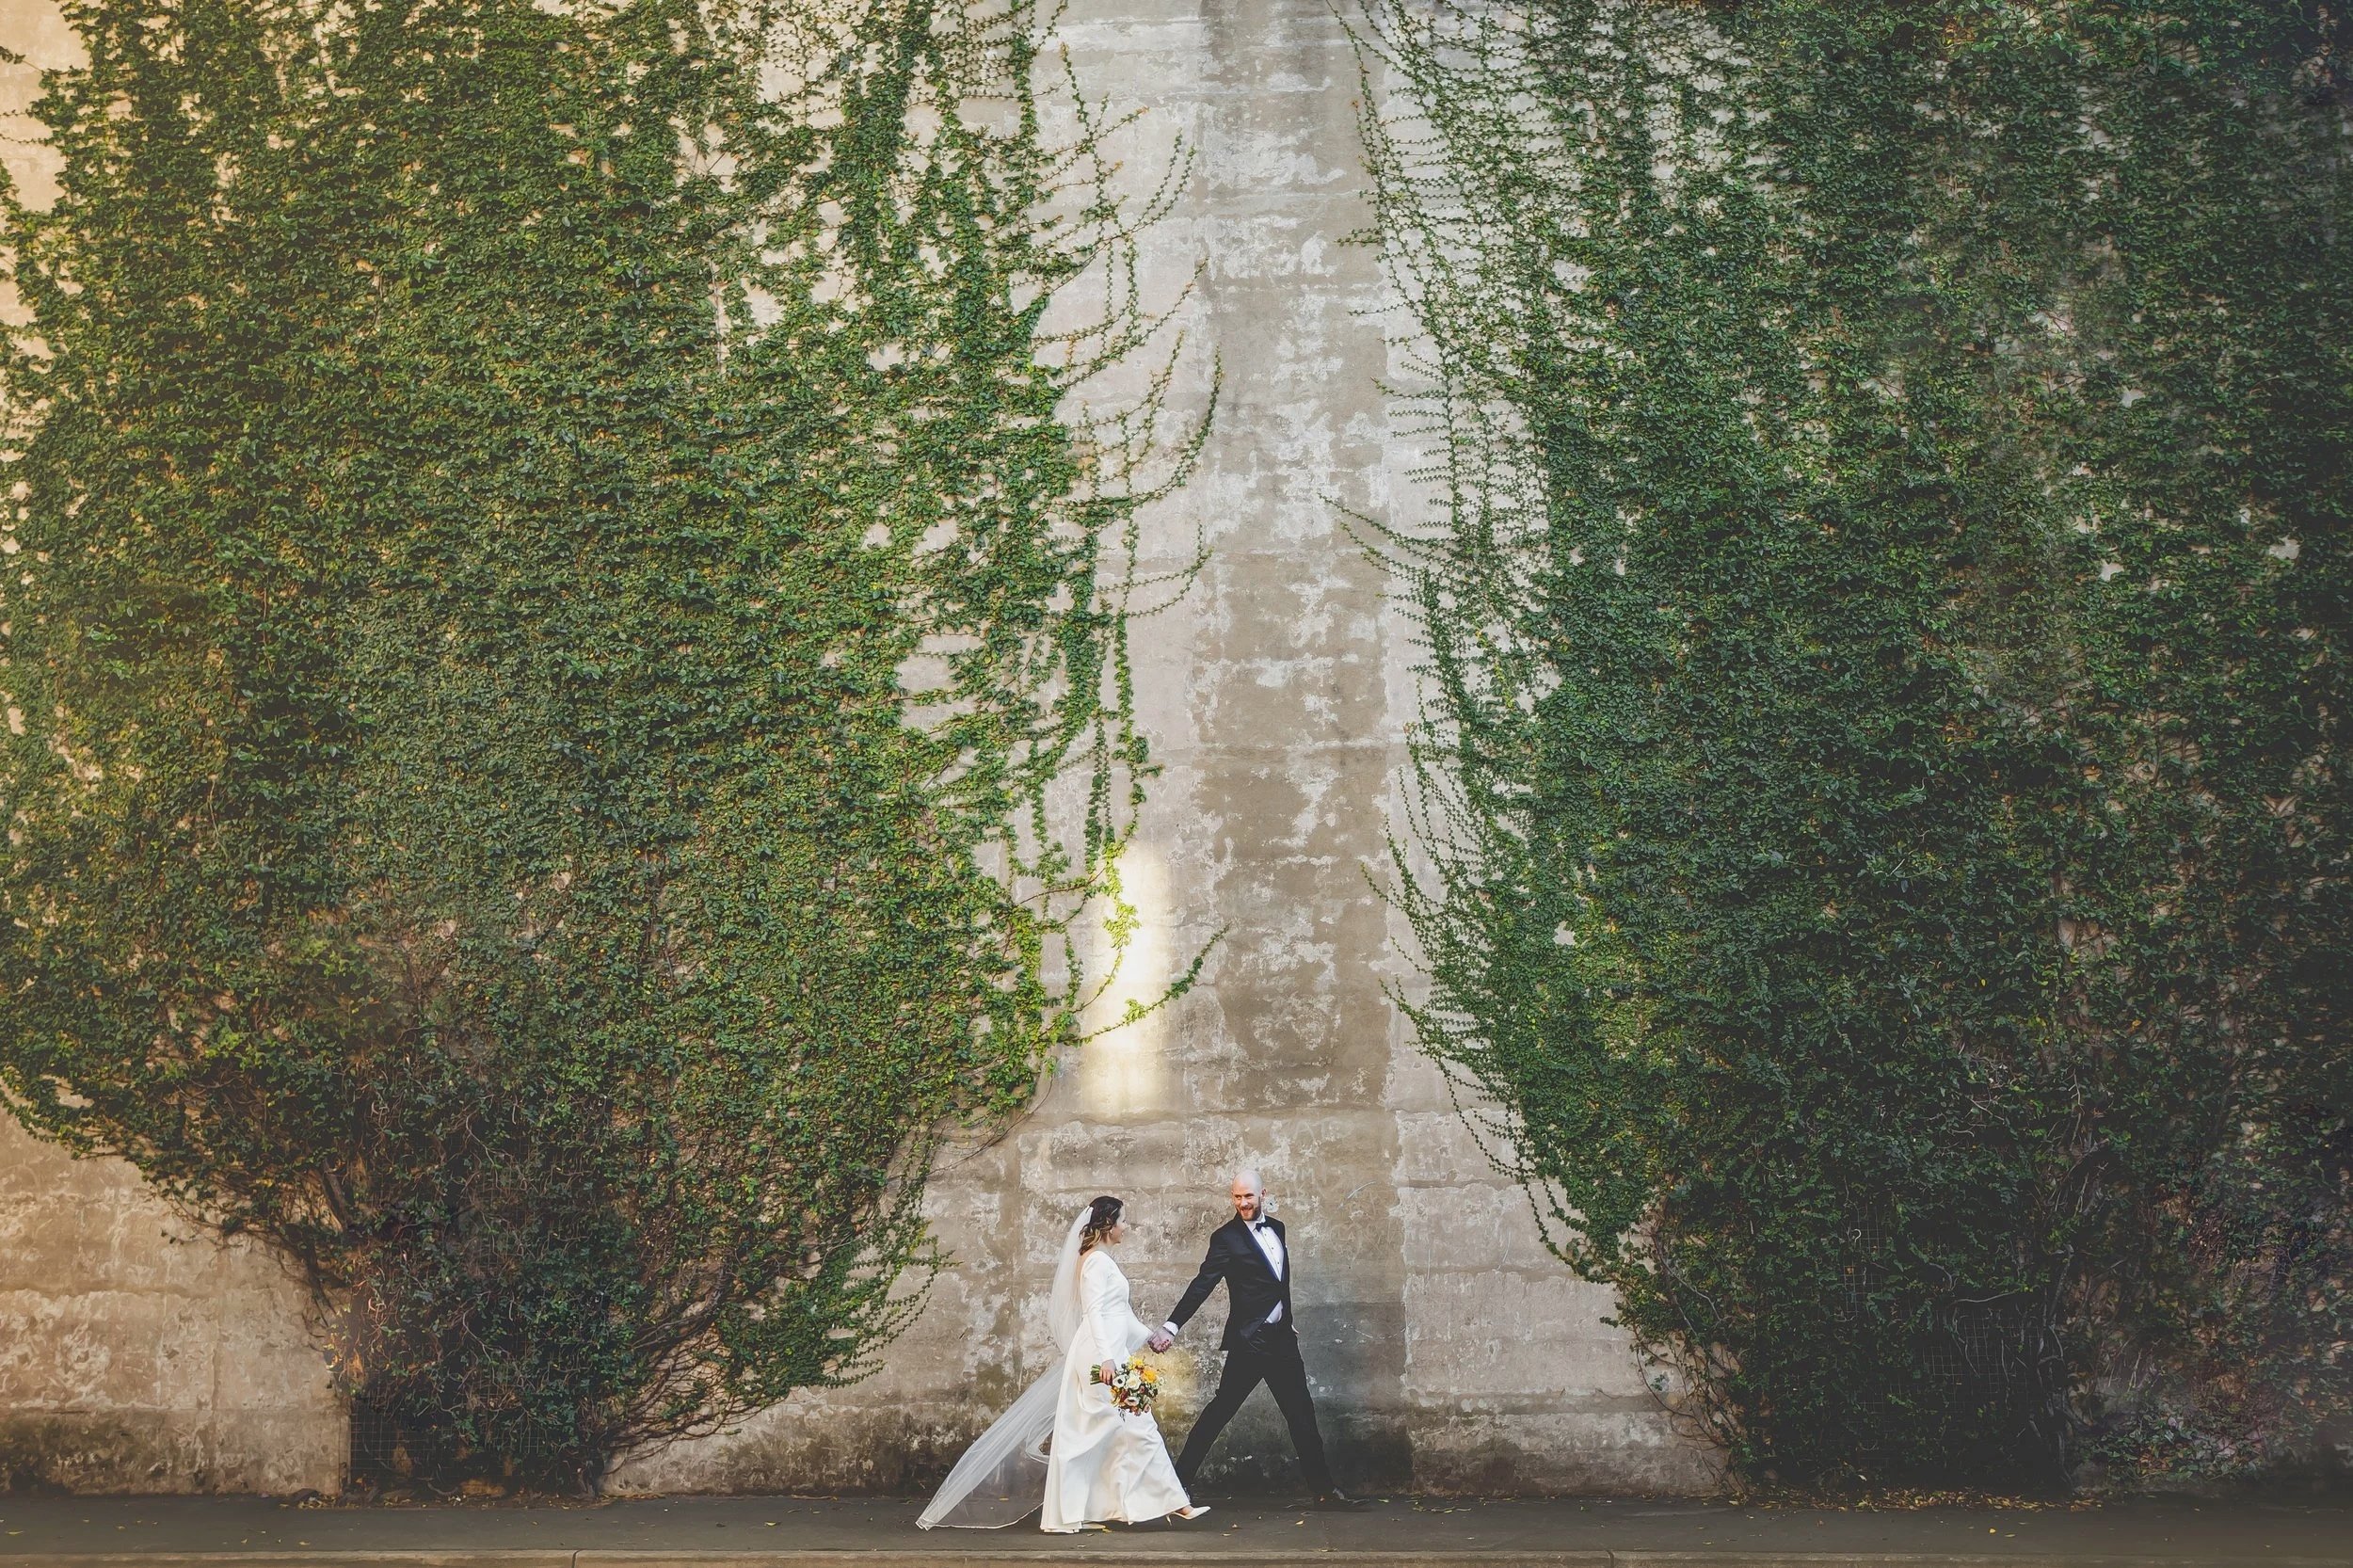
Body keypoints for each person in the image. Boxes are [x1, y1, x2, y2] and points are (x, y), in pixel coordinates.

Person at [918, 1196, 1209, 1532]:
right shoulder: (1097, 1262)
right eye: (1124, 1221)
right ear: (1108, 1225)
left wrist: (1150, 1337)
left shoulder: (1103, 1260)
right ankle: (1166, 1504)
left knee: (1124, 1429)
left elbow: (1120, 1313)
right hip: (1101, 1357)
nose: (1127, 1227)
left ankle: (1162, 1503)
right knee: (1108, 1430)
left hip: (1112, 1353)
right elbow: (1095, 1312)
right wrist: (1108, 1358)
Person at [1148, 1170, 1367, 1508]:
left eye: (1248, 1197)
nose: (1243, 1203)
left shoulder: (1277, 1227)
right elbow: (1202, 1284)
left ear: (1262, 1193)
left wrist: (1286, 1318)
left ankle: (1324, 1491)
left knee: (1302, 1415)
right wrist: (1172, 1326)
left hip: (1281, 1340)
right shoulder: (1225, 1238)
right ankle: (1178, 1486)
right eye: (1236, 1197)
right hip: (1250, 1342)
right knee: (1220, 1412)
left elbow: (1279, 1282)